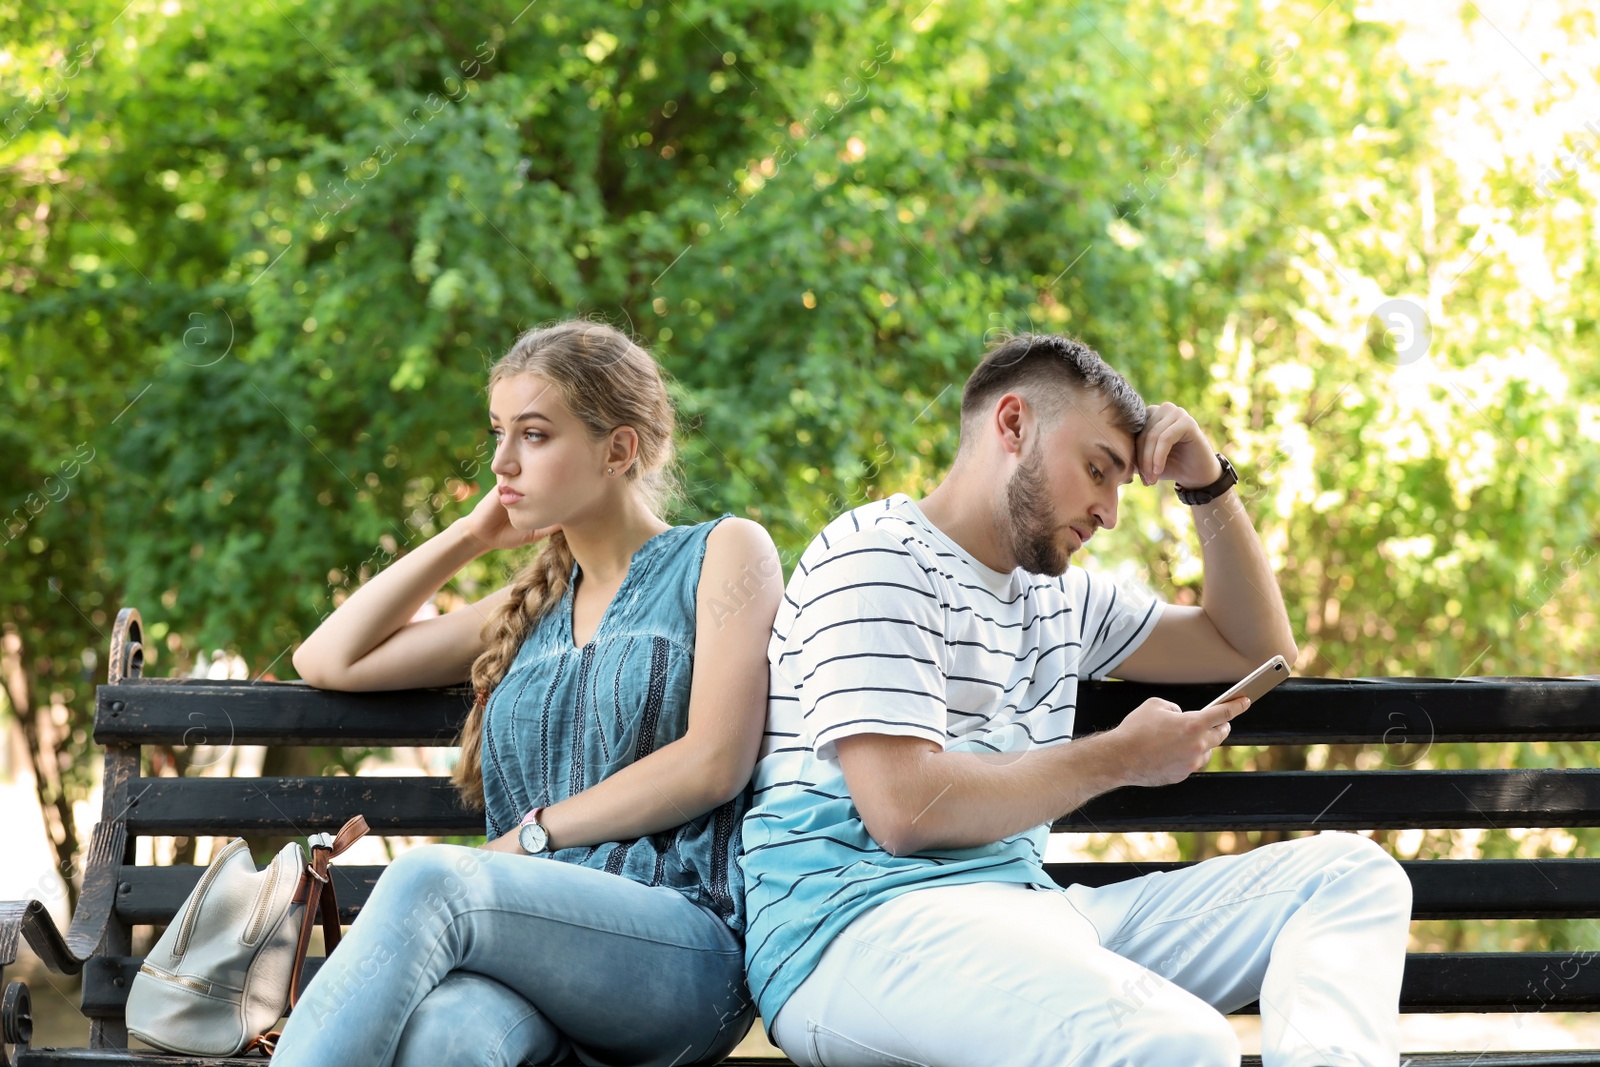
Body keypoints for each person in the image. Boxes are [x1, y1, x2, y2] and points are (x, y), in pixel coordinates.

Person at [743, 333, 1412, 1066]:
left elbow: (1253, 647)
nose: (1112, 510)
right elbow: (904, 809)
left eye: (1124, 482)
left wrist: (1209, 482)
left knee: (1349, 876)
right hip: (856, 928)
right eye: (1098, 469)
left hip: (1029, 913)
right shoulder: (876, 554)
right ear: (1012, 424)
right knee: (1176, 1042)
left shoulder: (1062, 597)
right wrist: (1122, 756)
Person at [273, 320, 781, 1067]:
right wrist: (470, 537)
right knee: (445, 1039)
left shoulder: (723, 553)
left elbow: (712, 761)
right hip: (526, 951)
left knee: (429, 877)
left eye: (535, 435)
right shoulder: (527, 608)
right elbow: (328, 658)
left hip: (681, 950)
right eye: (498, 433)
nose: (502, 462)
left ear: (619, 448)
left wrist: (533, 835)